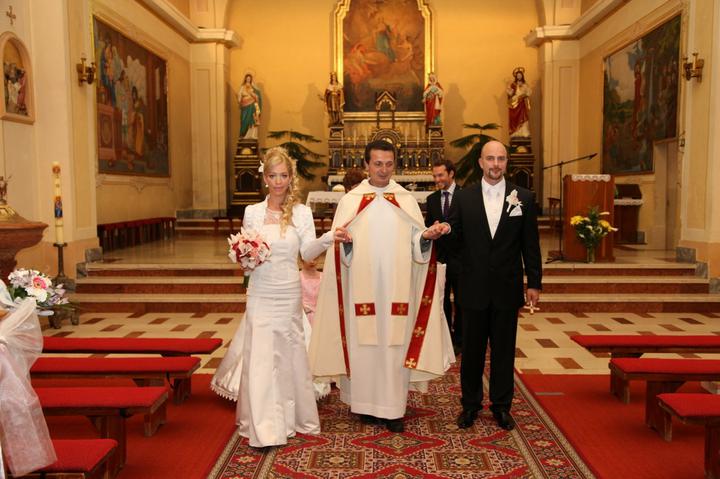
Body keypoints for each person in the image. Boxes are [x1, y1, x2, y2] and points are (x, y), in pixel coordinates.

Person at [309, 140, 455, 433]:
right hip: (361, 288)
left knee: (393, 346)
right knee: (363, 344)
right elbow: (338, 248)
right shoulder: (351, 201)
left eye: (389, 164)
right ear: (366, 164)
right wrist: (346, 245)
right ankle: (364, 405)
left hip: (396, 290)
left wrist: (425, 237)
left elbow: (416, 243)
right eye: (377, 164)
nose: (383, 170)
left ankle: (393, 409)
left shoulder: (405, 199)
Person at [210, 147, 333, 448]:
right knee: (262, 356)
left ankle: (293, 418)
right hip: (261, 291)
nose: (278, 182)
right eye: (273, 176)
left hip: (288, 291)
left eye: (283, 176)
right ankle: (265, 426)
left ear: (291, 178)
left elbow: (306, 253)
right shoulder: (252, 212)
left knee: (290, 354)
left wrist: (328, 238)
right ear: (264, 178)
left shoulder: (302, 213)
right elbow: (245, 254)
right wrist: (244, 257)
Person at [446, 140, 541, 431]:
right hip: (472, 288)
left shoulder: (523, 197)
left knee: (503, 352)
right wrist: (445, 237)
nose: (495, 164)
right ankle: (470, 405)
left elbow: (530, 244)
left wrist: (534, 282)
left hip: (506, 287)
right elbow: (455, 242)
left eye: (501, 159)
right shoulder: (464, 198)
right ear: (480, 162)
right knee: (471, 352)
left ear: (506, 162)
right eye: (490, 159)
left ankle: (501, 406)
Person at [425, 160, 462, 349]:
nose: (437, 179)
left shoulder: (466, 196)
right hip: (440, 257)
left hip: (461, 257)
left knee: (462, 301)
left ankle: (460, 339)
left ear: (451, 174)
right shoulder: (431, 199)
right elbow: (427, 226)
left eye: (440, 175)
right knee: (442, 299)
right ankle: (446, 340)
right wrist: (432, 229)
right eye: (435, 176)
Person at [506, 67, 531, 138]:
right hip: (515, 103)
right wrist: (509, 90)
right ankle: (515, 132)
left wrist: (524, 94)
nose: (519, 76)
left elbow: (528, 92)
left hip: (522, 103)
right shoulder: (513, 84)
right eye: (518, 75)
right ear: (516, 76)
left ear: (522, 76)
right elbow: (510, 94)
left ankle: (524, 132)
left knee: (523, 116)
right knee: (514, 117)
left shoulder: (525, 84)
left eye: (520, 75)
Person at [238, 73, 262, 140]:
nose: (248, 79)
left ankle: (252, 135)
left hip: (252, 105)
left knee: (252, 119)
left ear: (251, 79)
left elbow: (257, 96)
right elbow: (239, 95)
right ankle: (243, 135)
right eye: (247, 78)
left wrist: (254, 95)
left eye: (249, 78)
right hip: (244, 106)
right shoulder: (242, 87)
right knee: (244, 119)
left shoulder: (253, 87)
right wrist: (239, 100)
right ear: (245, 79)